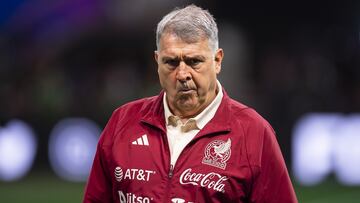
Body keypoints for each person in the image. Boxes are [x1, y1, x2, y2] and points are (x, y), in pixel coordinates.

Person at [83, 4, 298, 203]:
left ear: (217, 61)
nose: (182, 74)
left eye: (194, 61)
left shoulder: (254, 133)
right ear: (157, 61)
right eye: (171, 62)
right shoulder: (123, 122)